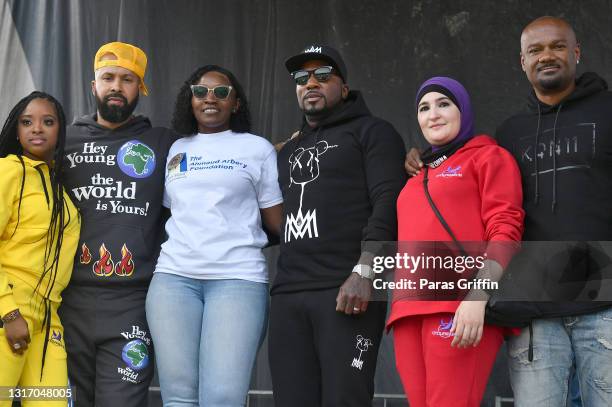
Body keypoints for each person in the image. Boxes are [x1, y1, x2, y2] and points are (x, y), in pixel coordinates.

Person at [404, 16, 612, 407]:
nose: (546, 56)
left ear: (577, 52)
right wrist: (425, 160)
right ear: (522, 62)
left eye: (557, 46)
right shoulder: (511, 134)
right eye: (535, 50)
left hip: (604, 307)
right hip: (535, 312)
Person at [268, 44, 407, 406]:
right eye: (302, 77)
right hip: (288, 296)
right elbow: (270, 223)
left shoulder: (373, 133)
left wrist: (366, 271)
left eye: (323, 75)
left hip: (348, 291)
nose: (311, 82)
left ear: (344, 88)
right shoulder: (286, 152)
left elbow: (389, 204)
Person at [145, 65, 283, 406]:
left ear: (235, 103)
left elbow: (278, 223)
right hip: (173, 280)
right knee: (178, 398)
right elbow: (171, 212)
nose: (210, 98)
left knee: (222, 397)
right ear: (189, 100)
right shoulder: (176, 150)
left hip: (237, 279)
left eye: (221, 92)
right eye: (201, 92)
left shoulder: (257, 148)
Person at [386, 77, 524, 407]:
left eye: (443, 104)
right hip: (407, 311)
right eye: (424, 107)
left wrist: (477, 297)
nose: (433, 114)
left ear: (463, 110)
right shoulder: (416, 172)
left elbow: (505, 229)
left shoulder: (490, 157)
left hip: (460, 305)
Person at [58, 42, 176, 406]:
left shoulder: (164, 144)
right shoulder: (62, 141)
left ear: (139, 89)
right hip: (67, 302)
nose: (116, 86)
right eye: (107, 77)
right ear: (93, 86)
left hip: (133, 301)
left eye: (127, 79)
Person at [0, 91, 80, 406]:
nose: (37, 129)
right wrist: (9, 312)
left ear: (60, 131)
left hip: (48, 321)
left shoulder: (59, 188)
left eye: (48, 122)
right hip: (9, 312)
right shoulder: (7, 172)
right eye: (27, 122)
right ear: (17, 131)